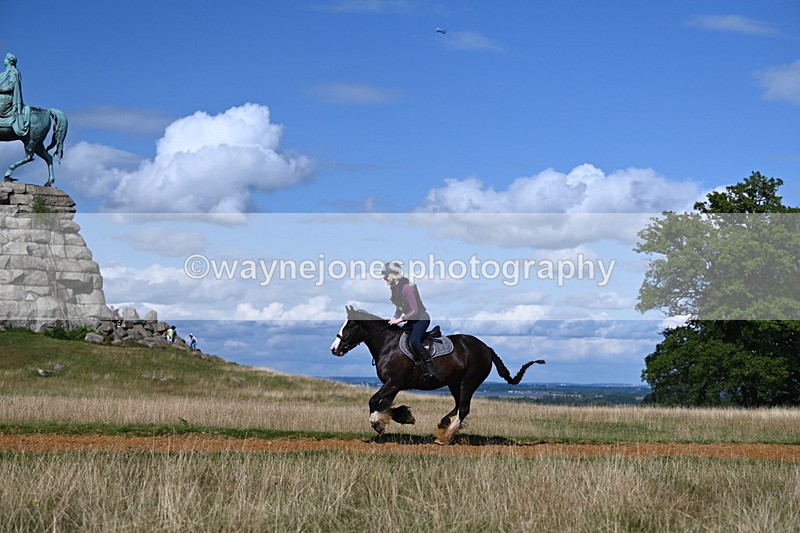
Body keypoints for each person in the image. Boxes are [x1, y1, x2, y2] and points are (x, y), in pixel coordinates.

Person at [382, 261, 438, 384]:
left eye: (386, 276)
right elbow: (400, 308)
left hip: (421, 318)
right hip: (411, 320)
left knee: (414, 341)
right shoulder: (394, 288)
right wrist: (394, 318)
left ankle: (431, 369)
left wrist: (399, 319)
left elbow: (415, 311)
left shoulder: (407, 287)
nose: (384, 278)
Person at [0, 53, 29, 136]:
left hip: (6, 100)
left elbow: (11, 86)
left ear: (10, 61)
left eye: (5, 58)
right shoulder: (2, 74)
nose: (3, 60)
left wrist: (1, 89)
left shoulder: (14, 72)